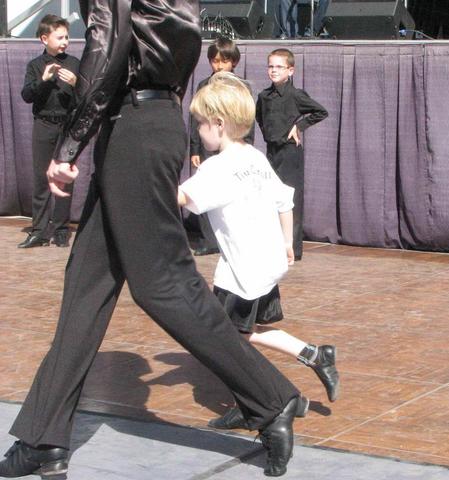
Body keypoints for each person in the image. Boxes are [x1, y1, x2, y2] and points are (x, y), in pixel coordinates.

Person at [0, 1, 301, 478]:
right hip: (146, 123)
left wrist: (70, 145)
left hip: (133, 129)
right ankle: (44, 437)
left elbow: (105, 48)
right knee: (86, 285)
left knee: (163, 284)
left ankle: (273, 398)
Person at [179, 72, 340, 430]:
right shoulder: (253, 155)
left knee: (223, 341)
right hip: (265, 262)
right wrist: (287, 243)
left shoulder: (218, 167)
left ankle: (270, 398)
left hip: (242, 271)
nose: (198, 132)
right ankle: (313, 355)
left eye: (201, 124)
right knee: (239, 334)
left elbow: (177, 197)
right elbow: (284, 198)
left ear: (218, 124)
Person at [256, 48, 328, 261]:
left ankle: (293, 250)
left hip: (289, 153)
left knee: (291, 199)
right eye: (271, 66)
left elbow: (321, 112)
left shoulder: (296, 95)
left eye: (279, 67)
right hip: (272, 152)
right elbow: (259, 118)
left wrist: (299, 126)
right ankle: (274, 245)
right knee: (270, 199)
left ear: (291, 70)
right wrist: (270, 134)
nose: (274, 70)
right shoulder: (263, 96)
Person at [18, 14, 79, 249]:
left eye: (66, 37)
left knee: (64, 178)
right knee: (42, 178)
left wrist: (76, 83)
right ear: (44, 38)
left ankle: (61, 228)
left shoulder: (74, 63)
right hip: (43, 125)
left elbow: (85, 97)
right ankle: (39, 230)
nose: (65, 41)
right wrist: (43, 80)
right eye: (59, 37)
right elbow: (26, 96)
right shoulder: (35, 65)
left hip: (67, 127)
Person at [188, 36, 242, 257]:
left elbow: (244, 118)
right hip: (206, 147)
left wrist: (245, 145)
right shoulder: (203, 86)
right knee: (206, 191)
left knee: (231, 192)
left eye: (224, 61)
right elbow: (195, 119)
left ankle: (232, 238)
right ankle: (208, 240)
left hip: (231, 145)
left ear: (233, 63)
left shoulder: (238, 87)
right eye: (215, 61)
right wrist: (194, 149)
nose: (219, 66)